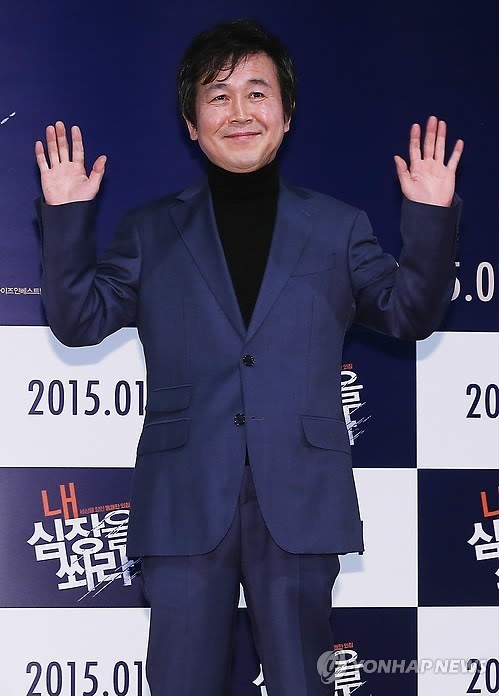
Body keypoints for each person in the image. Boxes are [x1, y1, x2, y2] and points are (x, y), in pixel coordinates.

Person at [35, 18, 463, 696]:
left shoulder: (339, 226)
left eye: (257, 93)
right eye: (218, 95)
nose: (239, 111)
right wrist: (65, 219)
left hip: (299, 496)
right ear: (191, 122)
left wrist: (430, 219)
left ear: (286, 115)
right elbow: (78, 322)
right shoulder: (148, 229)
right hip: (183, 500)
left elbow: (409, 316)